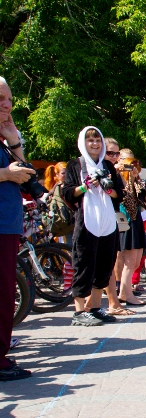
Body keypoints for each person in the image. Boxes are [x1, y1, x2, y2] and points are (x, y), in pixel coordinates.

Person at [62, 126, 124, 326]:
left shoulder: (108, 165)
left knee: (105, 265)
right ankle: (79, 311)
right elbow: (68, 193)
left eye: (98, 140)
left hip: (107, 220)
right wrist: (85, 186)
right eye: (91, 140)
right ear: (83, 143)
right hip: (87, 220)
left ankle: (95, 308)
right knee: (84, 264)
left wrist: (108, 188)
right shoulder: (75, 165)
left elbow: (119, 194)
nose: (95, 144)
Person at [0, 77, 35, 380]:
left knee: (5, 292)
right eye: (0, 99)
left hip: (8, 223)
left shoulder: (3, 136)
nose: (7, 105)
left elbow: (25, 174)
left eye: (10, 99)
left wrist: (14, 141)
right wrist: (5, 173)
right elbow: (12, 173)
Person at [117, 156, 146, 306]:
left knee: (135, 262)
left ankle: (125, 292)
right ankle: (126, 295)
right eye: (131, 166)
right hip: (127, 222)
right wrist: (129, 178)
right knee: (129, 262)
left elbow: (142, 203)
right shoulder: (120, 181)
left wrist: (136, 178)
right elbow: (127, 200)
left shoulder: (136, 182)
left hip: (136, 221)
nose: (134, 169)